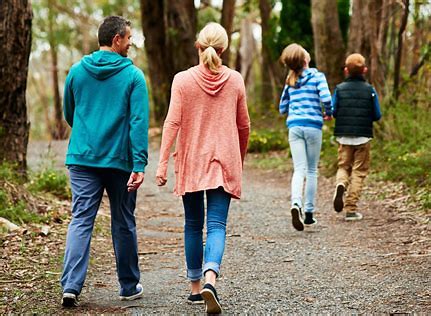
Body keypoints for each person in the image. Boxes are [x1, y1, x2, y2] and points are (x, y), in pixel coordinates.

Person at [156, 22, 250, 314]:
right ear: (223, 48)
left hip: (192, 159)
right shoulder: (234, 80)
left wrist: (161, 164)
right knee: (218, 225)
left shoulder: (182, 80)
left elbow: (172, 122)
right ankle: (211, 278)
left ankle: (196, 289)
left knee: (193, 225)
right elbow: (244, 125)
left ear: (199, 46)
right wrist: (240, 157)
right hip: (224, 160)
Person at [60, 16, 149, 307]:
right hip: (119, 162)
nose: (131, 43)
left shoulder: (76, 71)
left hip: (82, 158)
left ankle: (71, 286)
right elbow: (138, 123)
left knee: (81, 219)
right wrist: (139, 164)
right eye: (129, 39)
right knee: (123, 221)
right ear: (116, 40)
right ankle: (128, 286)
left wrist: (87, 135)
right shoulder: (133, 76)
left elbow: (69, 113)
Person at [279, 43, 332, 231]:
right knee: (311, 170)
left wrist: (294, 106)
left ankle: (296, 203)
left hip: (294, 127)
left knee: (298, 169)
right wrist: (328, 112)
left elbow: (282, 107)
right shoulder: (317, 77)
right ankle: (309, 214)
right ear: (305, 60)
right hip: (313, 127)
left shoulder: (290, 81)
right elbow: (326, 98)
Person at [332, 53, 382, 221]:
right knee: (359, 172)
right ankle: (351, 209)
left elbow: (333, 111)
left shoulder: (339, 89)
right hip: (363, 137)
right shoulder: (370, 90)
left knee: (343, 167)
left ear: (346, 70)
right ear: (365, 70)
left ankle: (340, 184)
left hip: (343, 136)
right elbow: (377, 114)